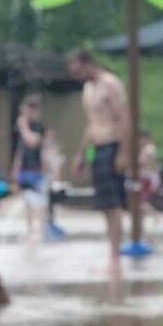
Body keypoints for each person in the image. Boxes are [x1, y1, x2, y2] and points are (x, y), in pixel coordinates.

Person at [66, 49, 129, 272]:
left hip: (113, 145)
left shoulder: (109, 83)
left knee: (113, 205)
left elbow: (123, 118)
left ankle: (115, 256)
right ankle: (111, 252)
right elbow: (91, 125)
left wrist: (123, 153)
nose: (75, 75)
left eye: (77, 70)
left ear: (87, 64)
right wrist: (82, 155)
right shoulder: (87, 89)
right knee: (103, 205)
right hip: (97, 148)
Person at [13, 93, 47, 243]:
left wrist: (23, 126)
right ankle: (30, 229)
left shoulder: (38, 127)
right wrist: (15, 167)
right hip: (24, 168)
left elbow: (32, 141)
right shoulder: (23, 128)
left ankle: (38, 230)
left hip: (37, 168)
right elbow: (21, 149)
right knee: (27, 201)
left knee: (37, 202)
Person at [138, 130, 162, 227]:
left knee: (141, 201)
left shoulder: (149, 149)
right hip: (145, 176)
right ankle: (143, 218)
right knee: (140, 200)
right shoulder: (146, 148)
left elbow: (144, 161)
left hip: (147, 177)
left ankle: (155, 215)